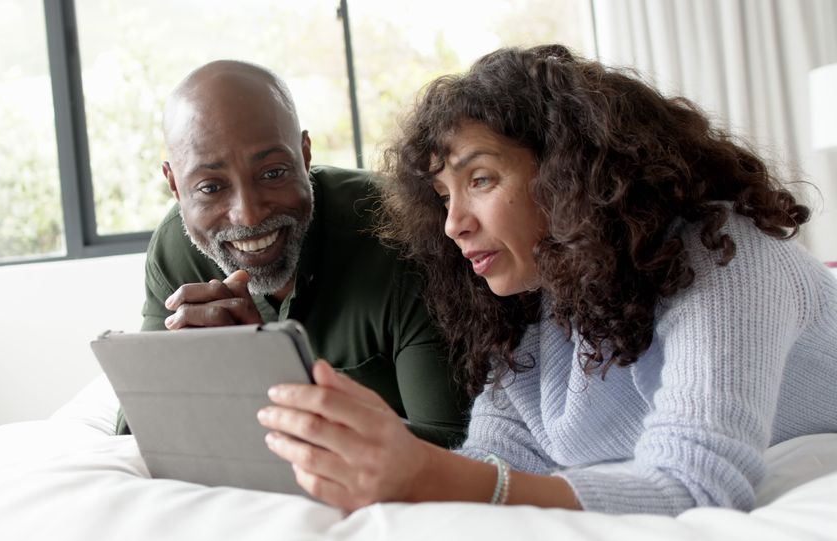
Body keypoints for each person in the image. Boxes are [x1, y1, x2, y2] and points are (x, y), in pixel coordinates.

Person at [256, 45, 837, 515]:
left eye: (480, 179)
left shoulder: (723, 254)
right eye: (442, 198)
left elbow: (696, 485)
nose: (454, 224)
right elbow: (495, 459)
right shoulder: (542, 307)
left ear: (571, 173)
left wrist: (433, 474)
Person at [118, 60, 470, 447]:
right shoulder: (176, 250)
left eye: (272, 173)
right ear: (173, 183)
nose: (248, 214)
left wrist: (262, 379)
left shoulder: (400, 231)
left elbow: (455, 450)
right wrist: (203, 374)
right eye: (210, 187)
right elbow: (132, 433)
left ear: (305, 155)